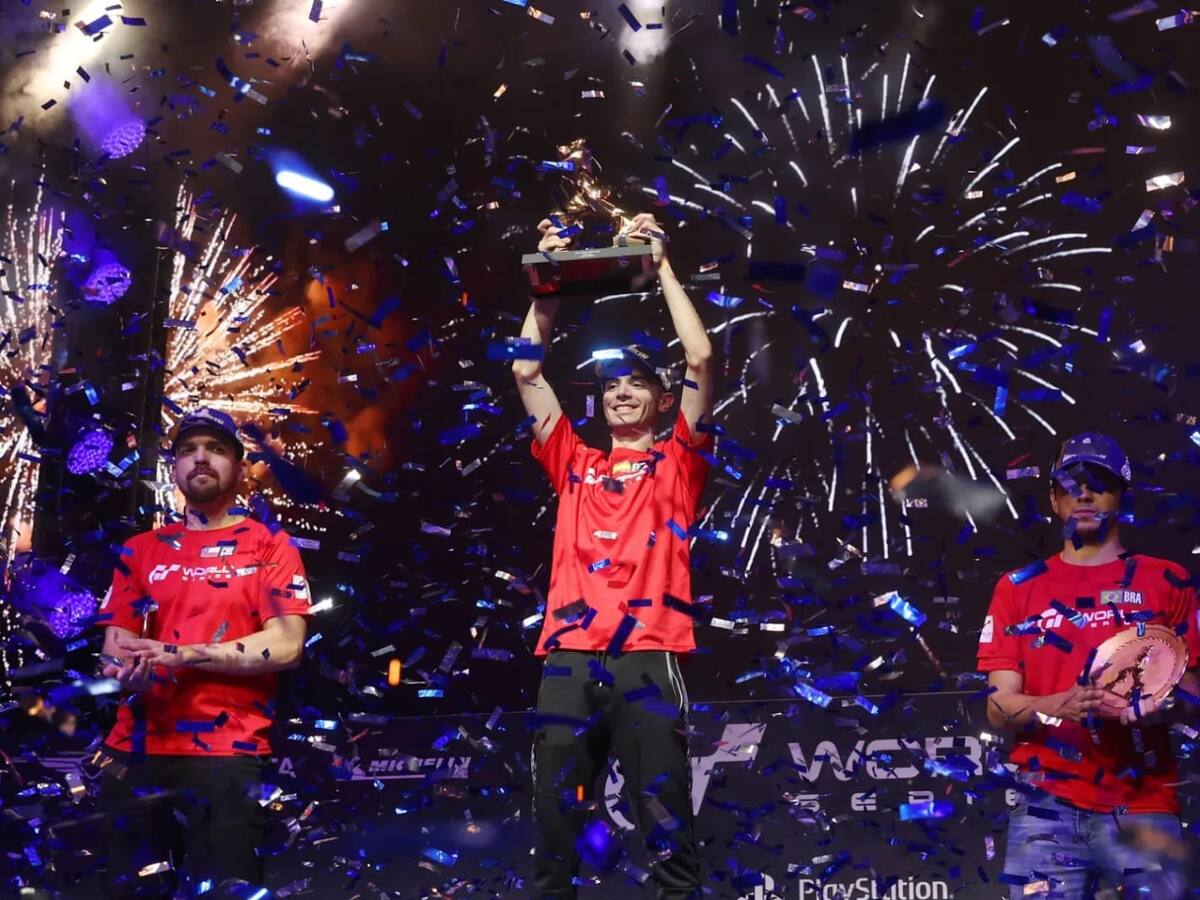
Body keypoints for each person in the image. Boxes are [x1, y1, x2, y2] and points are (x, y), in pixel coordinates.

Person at [513, 213, 714, 899]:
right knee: (554, 826)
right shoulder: (572, 460)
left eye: (636, 384)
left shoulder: (678, 462)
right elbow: (525, 369)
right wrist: (545, 286)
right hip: (569, 657)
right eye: (609, 386)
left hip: (648, 656)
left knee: (666, 825)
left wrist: (661, 266)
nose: (621, 393)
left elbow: (700, 358)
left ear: (662, 400)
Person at [94, 407, 312, 897]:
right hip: (135, 752)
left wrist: (183, 654)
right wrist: (128, 672)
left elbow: (286, 645)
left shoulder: (270, 546)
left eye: (215, 449)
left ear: (239, 467)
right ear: (174, 467)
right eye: (189, 450)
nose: (200, 458)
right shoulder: (139, 549)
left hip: (228, 754)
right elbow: (114, 651)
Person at [977, 433, 1199, 899]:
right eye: (1070, 483)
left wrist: (1162, 701)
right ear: (1053, 498)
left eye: (1098, 482)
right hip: (1045, 807)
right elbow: (997, 707)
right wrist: (1056, 705)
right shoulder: (1017, 588)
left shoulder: (1168, 580)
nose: (1083, 493)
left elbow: (1195, 696)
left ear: (1121, 495)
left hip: (1143, 803)